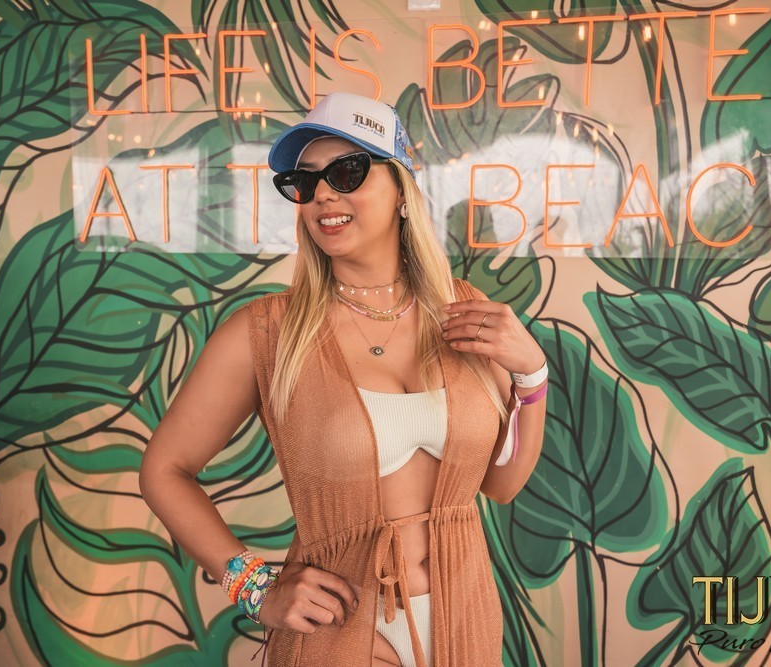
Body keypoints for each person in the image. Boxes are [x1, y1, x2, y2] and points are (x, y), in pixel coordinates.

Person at [139, 91, 548, 667]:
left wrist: (532, 375)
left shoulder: (462, 309)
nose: (323, 195)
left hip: (465, 621)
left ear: (402, 191)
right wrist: (255, 589)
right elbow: (164, 470)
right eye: (305, 182)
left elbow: (501, 486)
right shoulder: (269, 332)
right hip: (342, 631)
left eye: (347, 171)